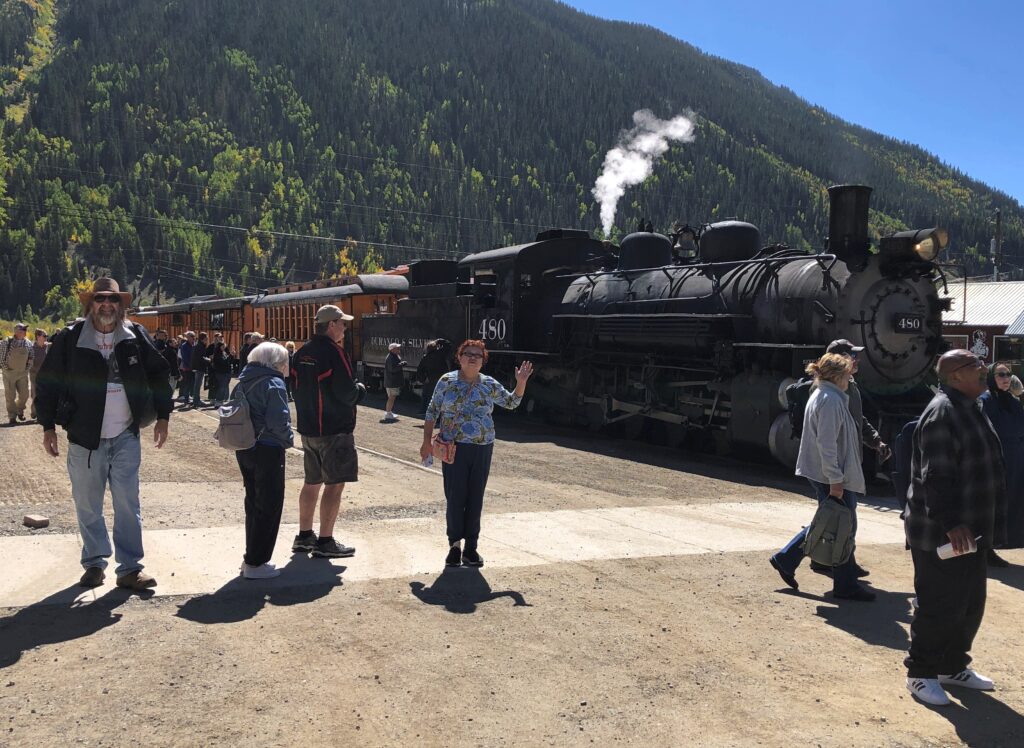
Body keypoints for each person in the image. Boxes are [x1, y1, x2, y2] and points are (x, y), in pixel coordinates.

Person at [35, 278, 172, 591]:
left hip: (126, 435)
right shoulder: (70, 338)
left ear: (121, 304)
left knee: (128, 503)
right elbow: (48, 383)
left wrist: (163, 416)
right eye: (100, 299)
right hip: (85, 437)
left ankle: (129, 569)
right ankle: (95, 564)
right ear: (90, 304)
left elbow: (159, 372)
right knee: (87, 504)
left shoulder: (135, 335)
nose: (107, 304)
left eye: (113, 299)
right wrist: (47, 425)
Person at [904, 349, 1004, 706]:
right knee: (939, 604)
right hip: (942, 533)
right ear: (955, 376)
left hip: (971, 533)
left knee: (970, 603)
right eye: (975, 364)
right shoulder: (943, 413)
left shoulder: (972, 407)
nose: (983, 368)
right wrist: (952, 523)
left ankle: (952, 666)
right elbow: (936, 476)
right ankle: (920, 673)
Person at [419, 340, 533, 568]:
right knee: (455, 496)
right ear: (459, 358)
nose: (473, 358)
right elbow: (432, 411)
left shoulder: (489, 384)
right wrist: (426, 442)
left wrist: (521, 382)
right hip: (454, 448)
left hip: (482, 447)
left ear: (483, 361)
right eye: (468, 354)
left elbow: (511, 402)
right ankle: (454, 545)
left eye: (478, 355)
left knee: (475, 497)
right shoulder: (446, 381)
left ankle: (471, 547)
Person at [769, 353, 874, 601]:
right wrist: (835, 479)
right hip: (831, 475)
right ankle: (844, 584)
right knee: (841, 524)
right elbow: (826, 444)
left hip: (828, 473)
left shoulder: (827, 395)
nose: (852, 376)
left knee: (833, 522)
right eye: (848, 372)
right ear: (838, 375)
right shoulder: (830, 400)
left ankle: (787, 559)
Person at [291, 305, 366, 559]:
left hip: (309, 429)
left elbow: (294, 386)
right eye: (342, 323)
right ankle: (325, 541)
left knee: (311, 483)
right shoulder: (335, 352)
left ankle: (303, 536)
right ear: (331, 324)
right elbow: (347, 392)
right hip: (334, 430)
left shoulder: (302, 352)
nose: (345, 327)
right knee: (334, 485)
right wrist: (361, 391)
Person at [234, 341, 294, 579]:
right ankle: (256, 562)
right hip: (268, 449)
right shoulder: (274, 383)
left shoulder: (244, 381)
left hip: (244, 447)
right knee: (269, 505)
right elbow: (279, 421)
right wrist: (288, 440)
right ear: (276, 363)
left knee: (253, 502)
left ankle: (250, 557)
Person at [980, 362, 1024, 555]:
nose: (1006, 379)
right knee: (993, 503)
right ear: (991, 377)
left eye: (1008, 374)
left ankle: (1004, 541)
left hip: (1015, 458)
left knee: (1013, 500)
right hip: (996, 457)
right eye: (1001, 375)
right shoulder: (985, 401)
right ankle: (987, 548)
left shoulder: (1013, 401)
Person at [1, 322, 34, 425]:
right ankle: (12, 416)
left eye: (25, 330)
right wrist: (7, 369)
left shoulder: (28, 343)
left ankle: (19, 410)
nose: (25, 332)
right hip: (9, 373)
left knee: (24, 395)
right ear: (17, 331)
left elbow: (31, 357)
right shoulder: (6, 342)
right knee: (10, 396)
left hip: (22, 373)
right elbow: (1, 357)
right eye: (23, 330)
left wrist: (26, 369)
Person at [416, 338, 453, 418]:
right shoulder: (440, 353)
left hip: (431, 381)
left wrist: (424, 379)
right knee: (443, 398)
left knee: (431, 398)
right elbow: (448, 345)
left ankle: (427, 413)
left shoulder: (425, 357)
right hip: (442, 379)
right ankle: (440, 417)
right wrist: (439, 340)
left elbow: (419, 371)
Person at [29, 328, 50, 421]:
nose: (46, 338)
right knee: (35, 395)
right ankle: (34, 412)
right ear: (38, 337)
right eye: (44, 336)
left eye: (46, 336)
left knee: (44, 395)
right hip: (34, 375)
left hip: (45, 376)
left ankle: (41, 414)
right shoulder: (31, 348)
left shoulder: (49, 346)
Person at [383, 342, 406, 422]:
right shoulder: (390, 358)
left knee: (392, 397)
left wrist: (400, 364)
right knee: (391, 398)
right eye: (397, 348)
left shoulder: (393, 356)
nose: (399, 349)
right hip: (391, 381)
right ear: (392, 350)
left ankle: (389, 412)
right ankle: (388, 413)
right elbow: (392, 369)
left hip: (392, 381)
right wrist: (401, 365)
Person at [209, 336, 233, 406]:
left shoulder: (224, 353)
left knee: (223, 387)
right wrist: (230, 356)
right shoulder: (218, 354)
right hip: (221, 373)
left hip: (226, 372)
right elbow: (223, 362)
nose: (224, 348)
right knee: (221, 387)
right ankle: (218, 401)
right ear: (219, 347)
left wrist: (231, 356)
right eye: (222, 346)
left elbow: (229, 361)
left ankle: (220, 400)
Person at [189, 331, 211, 408]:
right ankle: (196, 402)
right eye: (206, 339)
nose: (207, 340)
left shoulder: (199, 345)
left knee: (197, 385)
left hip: (198, 367)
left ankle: (197, 400)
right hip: (199, 368)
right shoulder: (200, 346)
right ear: (203, 339)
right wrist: (208, 360)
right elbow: (200, 358)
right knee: (197, 385)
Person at [178, 331, 196, 405]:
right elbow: (185, 358)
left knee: (193, 384)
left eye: (193, 336)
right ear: (188, 337)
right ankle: (186, 399)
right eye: (191, 336)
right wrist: (191, 366)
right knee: (187, 384)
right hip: (187, 368)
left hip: (194, 368)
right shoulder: (184, 345)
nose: (193, 338)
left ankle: (191, 397)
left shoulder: (194, 344)